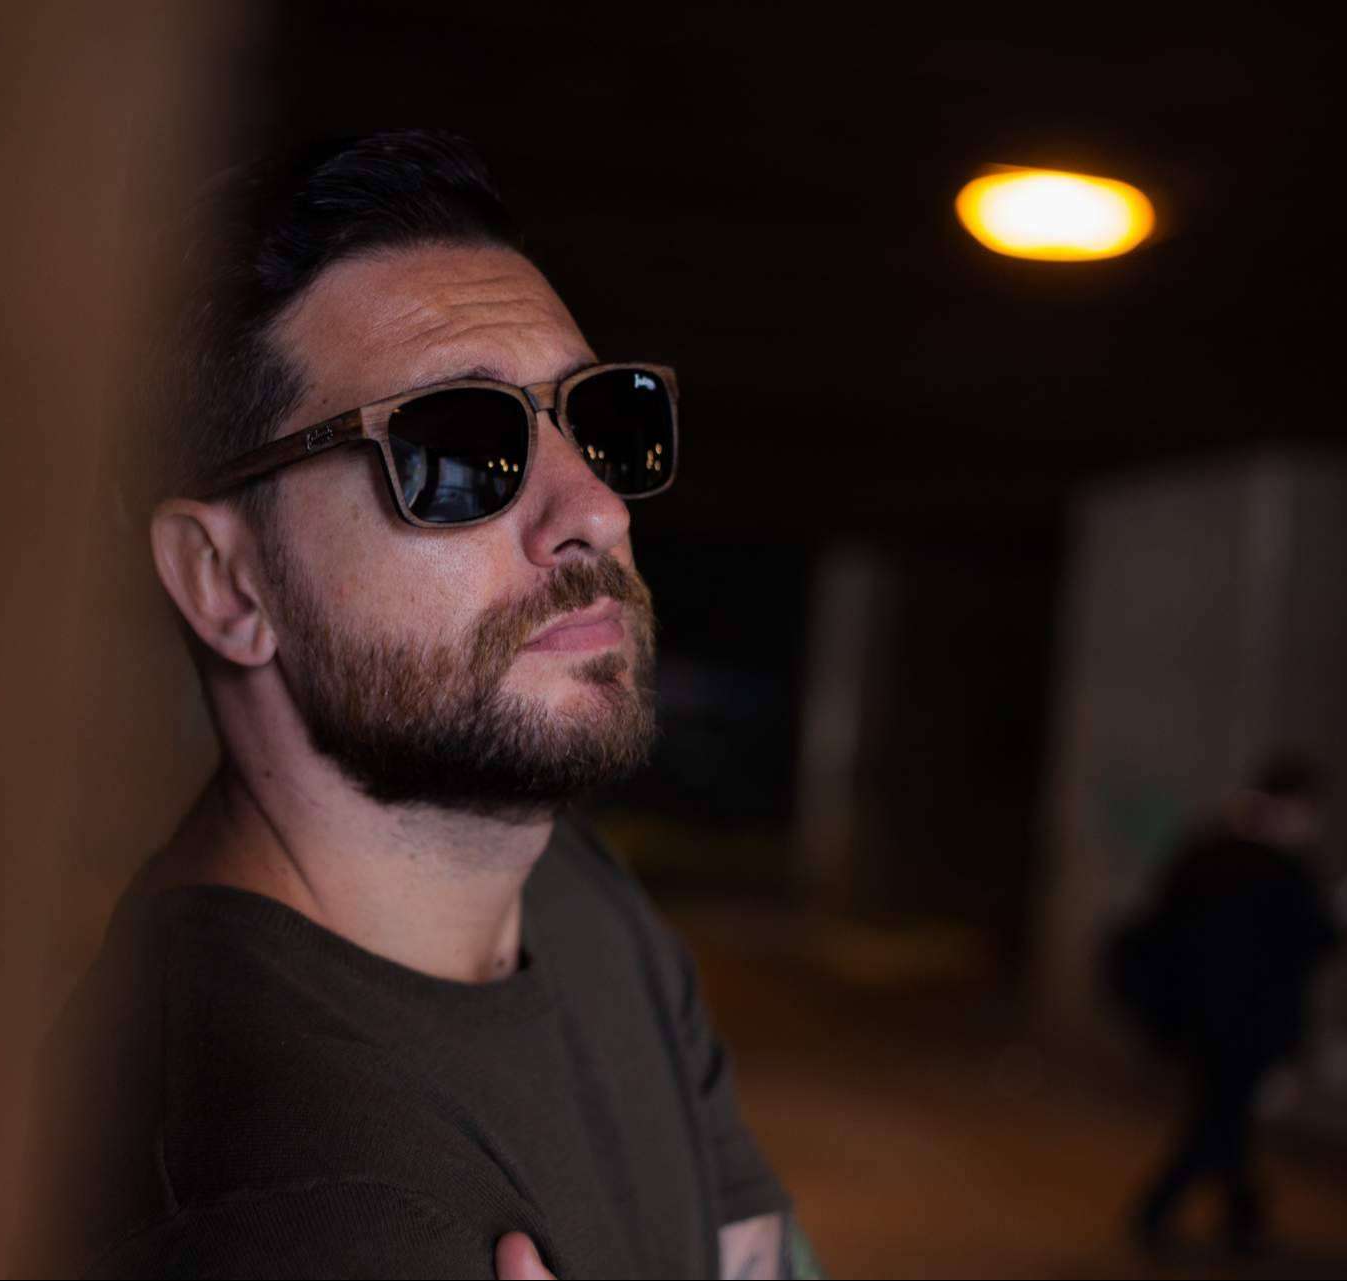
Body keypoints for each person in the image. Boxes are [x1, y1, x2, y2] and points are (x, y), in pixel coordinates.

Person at [44, 130, 809, 1279]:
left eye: (601, 418)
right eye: (458, 448)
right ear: (225, 582)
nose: (594, 510)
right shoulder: (275, 1199)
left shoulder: (570, 891)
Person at [1124, 754, 1340, 1257]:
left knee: (1225, 1120)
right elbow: (1310, 941)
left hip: (1197, 1017)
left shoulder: (1209, 851)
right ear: (1292, 808)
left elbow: (1162, 921)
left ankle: (1241, 1220)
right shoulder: (1280, 869)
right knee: (1219, 1123)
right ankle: (1161, 1213)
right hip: (1243, 1025)